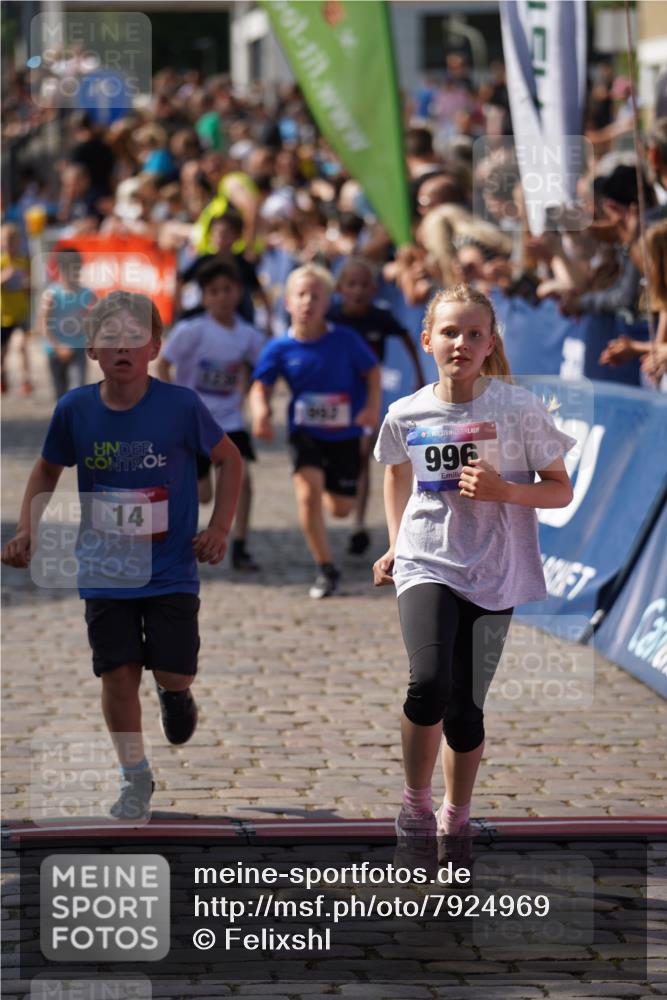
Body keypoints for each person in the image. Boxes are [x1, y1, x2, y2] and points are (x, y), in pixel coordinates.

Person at [1, 290, 242, 820]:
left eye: (135, 337)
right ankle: (134, 777)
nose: (123, 347)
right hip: (105, 568)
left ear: (155, 346)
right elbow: (46, 470)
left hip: (172, 566)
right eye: (110, 338)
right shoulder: (75, 409)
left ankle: (175, 695)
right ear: (90, 349)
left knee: (174, 671)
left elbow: (230, 460)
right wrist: (27, 529)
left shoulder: (180, 406)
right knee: (117, 673)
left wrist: (219, 527)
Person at [372, 284, 575, 864]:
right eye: (451, 332)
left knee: (465, 709)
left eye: (475, 334)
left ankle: (455, 812)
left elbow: (560, 490)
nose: (461, 343)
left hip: (495, 569)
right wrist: (395, 544)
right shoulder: (406, 412)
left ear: (491, 344)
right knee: (428, 681)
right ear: (427, 339)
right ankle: (414, 802)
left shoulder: (518, 409)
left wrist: (503, 489)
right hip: (426, 560)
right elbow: (395, 476)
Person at [250, 263, 381, 599]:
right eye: (301, 295)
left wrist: (370, 408)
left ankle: (327, 487)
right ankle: (326, 568)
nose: (308, 301)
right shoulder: (279, 347)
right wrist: (261, 410)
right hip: (304, 433)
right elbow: (260, 385)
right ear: (288, 303)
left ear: (328, 302)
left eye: (316, 295)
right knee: (307, 498)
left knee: (341, 508)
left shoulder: (345, 340)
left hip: (344, 435)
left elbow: (373, 373)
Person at [158, 259, 265, 570]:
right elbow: (164, 362)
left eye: (227, 290)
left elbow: (263, 368)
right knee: (202, 494)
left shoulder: (249, 335)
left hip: (230, 421)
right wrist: (173, 400)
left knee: (243, 477)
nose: (221, 296)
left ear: (238, 293)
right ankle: (184, 540)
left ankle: (241, 545)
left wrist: (254, 396)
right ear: (204, 297)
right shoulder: (191, 331)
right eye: (214, 291)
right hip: (193, 422)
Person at [327, 256, 426, 555]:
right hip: (333, 394)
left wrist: (419, 372)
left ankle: (358, 523)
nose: (357, 291)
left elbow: (408, 337)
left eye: (363, 285)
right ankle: (334, 491)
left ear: (373, 289)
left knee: (362, 456)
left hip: (366, 394)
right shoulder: (331, 316)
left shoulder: (379, 317)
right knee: (334, 454)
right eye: (351, 285)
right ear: (340, 288)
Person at [37, 248, 96, 399]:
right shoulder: (51, 294)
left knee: (79, 388)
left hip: (78, 348)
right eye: (72, 270)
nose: (76, 274)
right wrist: (58, 346)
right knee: (61, 394)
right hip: (55, 350)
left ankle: (78, 420)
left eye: (78, 269)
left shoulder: (87, 294)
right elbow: (42, 324)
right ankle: (64, 420)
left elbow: (94, 321)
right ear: (61, 269)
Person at [0, 222, 32, 395]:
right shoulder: (1, 261)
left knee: (21, 345)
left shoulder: (23, 260)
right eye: (5, 241)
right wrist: (6, 275)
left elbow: (30, 284)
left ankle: (26, 380)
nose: (9, 244)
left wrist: (27, 284)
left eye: (12, 241)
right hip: (3, 314)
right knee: (3, 351)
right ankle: (2, 376)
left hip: (20, 311)